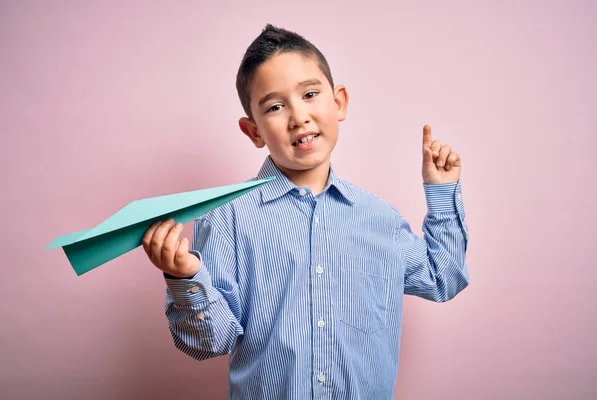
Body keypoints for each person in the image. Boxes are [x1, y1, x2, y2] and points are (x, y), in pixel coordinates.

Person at [142, 23, 469, 399]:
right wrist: (185, 278)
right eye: (276, 106)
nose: (298, 117)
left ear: (339, 101)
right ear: (254, 132)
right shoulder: (228, 218)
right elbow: (209, 342)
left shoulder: (378, 219)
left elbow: (444, 277)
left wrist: (441, 191)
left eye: (310, 94)